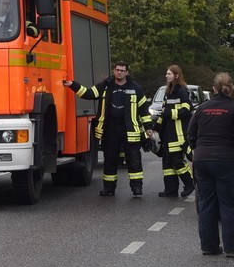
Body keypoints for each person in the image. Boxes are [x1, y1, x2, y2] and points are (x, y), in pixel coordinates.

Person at [65, 61, 152, 197]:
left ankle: (136, 188)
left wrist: (148, 128)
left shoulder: (135, 88)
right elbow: (88, 93)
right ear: (114, 71)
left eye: (122, 70)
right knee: (110, 160)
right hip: (110, 129)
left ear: (127, 73)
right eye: (117, 70)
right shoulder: (106, 86)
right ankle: (109, 188)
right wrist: (73, 85)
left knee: (134, 160)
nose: (119, 72)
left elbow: (144, 110)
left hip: (130, 130)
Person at [187, 72, 234, 257]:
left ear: (214, 88)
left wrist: (196, 150)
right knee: (228, 204)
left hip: (202, 160)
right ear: (231, 89)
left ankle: (209, 246)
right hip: (226, 161)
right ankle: (231, 248)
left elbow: (191, 133)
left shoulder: (202, 108)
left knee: (207, 203)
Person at [149, 65, 196, 198]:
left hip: (178, 134)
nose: (166, 75)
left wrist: (170, 112)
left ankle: (190, 184)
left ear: (176, 75)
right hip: (168, 133)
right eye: (166, 73)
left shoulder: (181, 91)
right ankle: (171, 190)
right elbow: (163, 115)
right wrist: (155, 129)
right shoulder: (168, 92)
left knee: (177, 161)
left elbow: (187, 111)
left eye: (169, 74)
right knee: (167, 163)